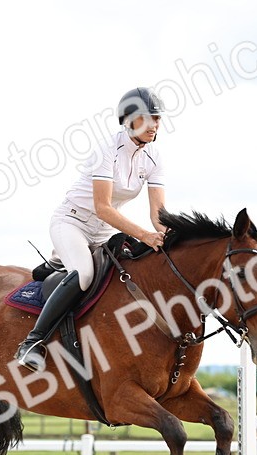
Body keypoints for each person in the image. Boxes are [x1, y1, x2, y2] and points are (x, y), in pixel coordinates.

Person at [14, 86, 169, 371]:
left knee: (125, 277)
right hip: (71, 222)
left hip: (104, 232)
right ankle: (32, 343)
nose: (155, 125)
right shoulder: (106, 150)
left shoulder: (155, 157)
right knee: (84, 275)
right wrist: (145, 235)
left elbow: (158, 213)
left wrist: (167, 234)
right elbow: (103, 207)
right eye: (148, 119)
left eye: (157, 119)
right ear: (129, 120)